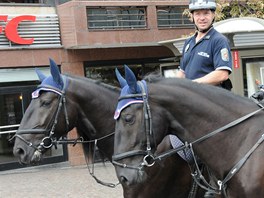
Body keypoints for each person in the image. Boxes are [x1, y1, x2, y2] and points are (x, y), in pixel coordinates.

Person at [177, 0, 233, 90]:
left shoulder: (219, 40)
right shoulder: (188, 42)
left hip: (210, 98)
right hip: (190, 96)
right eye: (197, 14)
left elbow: (222, 74)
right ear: (192, 17)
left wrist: (192, 84)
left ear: (213, 15)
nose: (202, 18)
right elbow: (182, 72)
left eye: (206, 13)